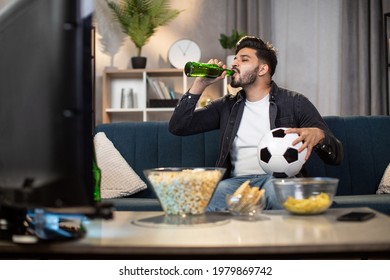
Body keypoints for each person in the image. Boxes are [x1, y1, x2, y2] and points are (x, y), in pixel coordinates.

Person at [169, 36, 343, 210]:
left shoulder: (295, 103)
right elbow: (178, 127)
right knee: (208, 201)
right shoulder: (226, 106)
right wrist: (200, 84)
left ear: (262, 69)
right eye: (235, 58)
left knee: (276, 193)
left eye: (244, 59)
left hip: (278, 179)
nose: (235, 63)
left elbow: (336, 156)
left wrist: (320, 136)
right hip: (236, 183)